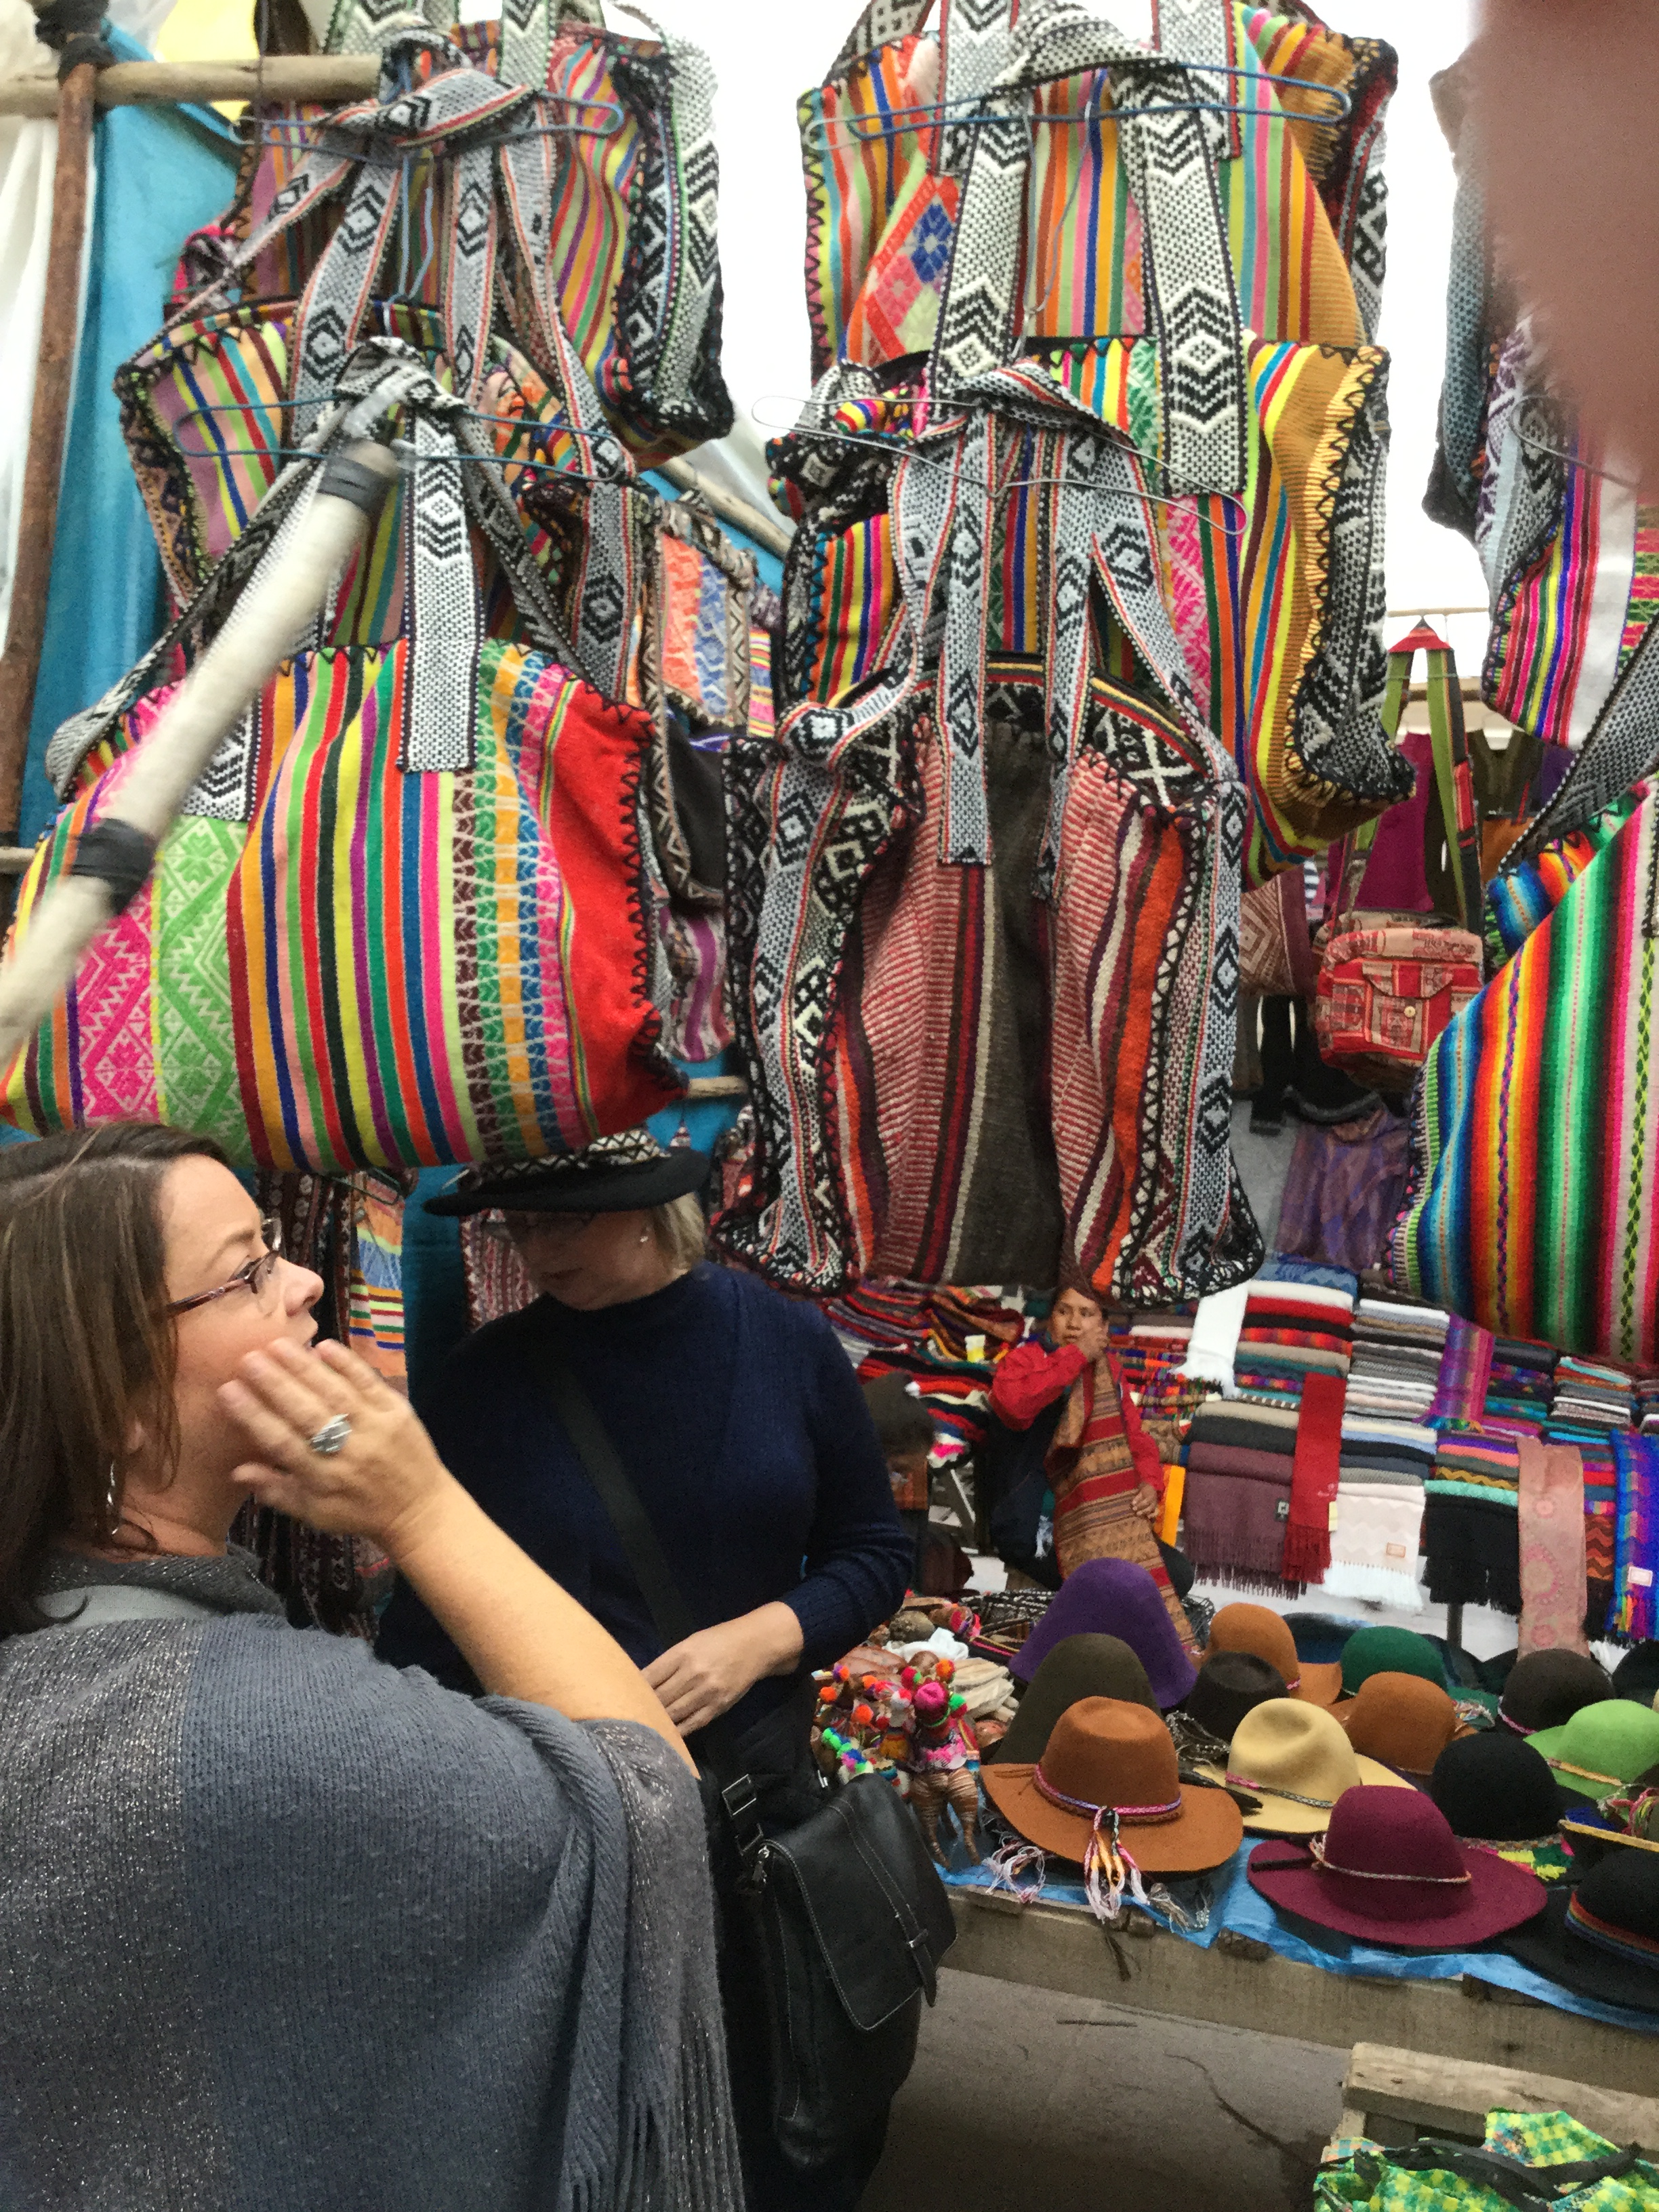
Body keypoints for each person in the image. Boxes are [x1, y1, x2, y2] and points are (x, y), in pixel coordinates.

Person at [0, 1121, 741, 2211]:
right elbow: (647, 1805)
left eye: (275, 1247)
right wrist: (423, 1510)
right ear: (115, 1396)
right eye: (248, 1273)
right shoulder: (281, 1739)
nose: (305, 1280)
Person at [377, 1128, 914, 2212]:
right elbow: (425, 1624)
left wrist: (763, 1636)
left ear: (648, 1207)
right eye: (517, 1227)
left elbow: (874, 1550)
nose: (537, 1251)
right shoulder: (485, 1383)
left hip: (745, 1811)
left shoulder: (786, 1344)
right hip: (555, 1823)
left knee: (774, 2113)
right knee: (589, 2134)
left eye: (564, 1220)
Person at [983, 1285, 1193, 1599]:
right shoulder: (1024, 1361)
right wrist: (1077, 1355)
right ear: (1050, 1319)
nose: (1073, 1324)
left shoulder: (1109, 1373)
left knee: (1177, 1574)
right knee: (1109, 1588)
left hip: (1095, 1519)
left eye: (1086, 1314)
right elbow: (1016, 1407)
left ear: (1103, 1326)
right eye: (1063, 1311)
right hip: (1034, 1525)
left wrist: (1149, 1484)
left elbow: (1134, 1437)